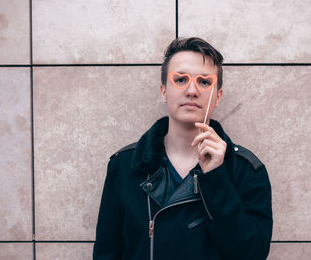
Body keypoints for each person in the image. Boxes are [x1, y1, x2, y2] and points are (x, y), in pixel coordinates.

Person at [93, 37, 273, 260]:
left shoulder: (246, 170)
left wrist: (216, 178)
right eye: (180, 79)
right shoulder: (124, 165)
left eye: (204, 82)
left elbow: (252, 255)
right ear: (163, 91)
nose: (192, 90)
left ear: (217, 97)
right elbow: (106, 253)